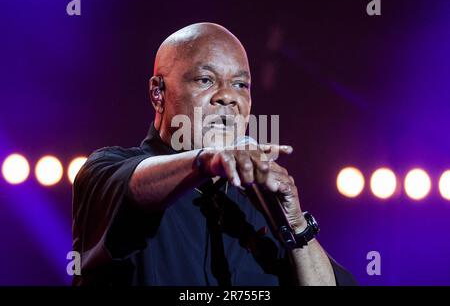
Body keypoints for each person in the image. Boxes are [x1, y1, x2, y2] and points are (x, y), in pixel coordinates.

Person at [72, 22, 356, 286]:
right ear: (158, 92)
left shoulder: (260, 204)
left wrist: (296, 226)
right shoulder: (104, 170)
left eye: (240, 85)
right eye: (206, 80)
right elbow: (133, 189)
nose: (228, 96)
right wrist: (207, 160)